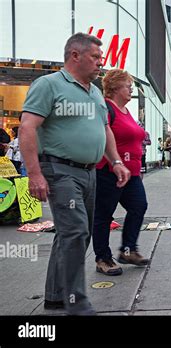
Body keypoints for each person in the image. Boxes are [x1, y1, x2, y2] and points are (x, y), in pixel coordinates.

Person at [19, 33, 130, 315]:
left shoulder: (94, 92)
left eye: (101, 59)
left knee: (73, 235)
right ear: (75, 55)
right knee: (76, 232)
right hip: (59, 170)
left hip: (89, 172)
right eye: (95, 57)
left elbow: (104, 130)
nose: (100, 63)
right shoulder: (49, 85)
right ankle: (77, 304)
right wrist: (34, 174)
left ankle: (56, 296)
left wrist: (116, 161)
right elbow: (27, 128)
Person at [93, 68, 150, 277]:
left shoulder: (127, 111)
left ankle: (127, 250)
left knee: (138, 206)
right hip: (109, 171)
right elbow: (101, 138)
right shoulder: (106, 108)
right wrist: (116, 162)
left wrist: (138, 167)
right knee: (103, 215)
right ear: (115, 86)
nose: (131, 89)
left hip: (131, 174)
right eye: (128, 85)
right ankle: (102, 258)